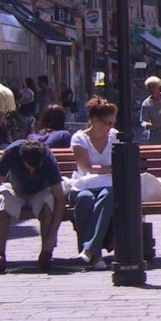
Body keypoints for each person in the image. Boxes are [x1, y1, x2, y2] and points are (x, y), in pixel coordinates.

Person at [0, 138, 65, 274]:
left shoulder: (49, 159)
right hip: (15, 188)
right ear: (22, 159)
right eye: (29, 168)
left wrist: (53, 234)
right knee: (3, 200)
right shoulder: (10, 153)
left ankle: (46, 253)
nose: (32, 172)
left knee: (47, 202)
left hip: (40, 190)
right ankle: (0, 255)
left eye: (36, 169)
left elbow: (59, 198)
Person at [68, 98, 117, 270]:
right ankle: (95, 254)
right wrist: (109, 168)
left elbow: (118, 166)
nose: (111, 126)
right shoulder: (79, 139)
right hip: (83, 185)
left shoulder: (115, 136)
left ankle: (89, 250)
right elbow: (85, 167)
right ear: (95, 121)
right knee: (85, 199)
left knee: (107, 196)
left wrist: (103, 169)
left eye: (113, 122)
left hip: (107, 186)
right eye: (108, 123)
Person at [139, 76, 161, 143]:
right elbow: (143, 121)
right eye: (149, 87)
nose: (152, 89)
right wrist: (146, 124)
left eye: (154, 87)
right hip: (155, 133)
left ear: (159, 87)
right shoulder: (146, 103)